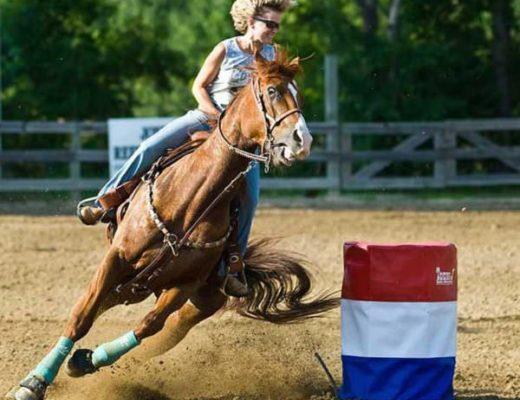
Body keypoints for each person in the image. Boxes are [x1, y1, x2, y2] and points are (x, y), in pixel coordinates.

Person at [78, 0, 295, 297]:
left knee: (250, 198)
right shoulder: (226, 49)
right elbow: (199, 86)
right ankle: (107, 200)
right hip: (205, 118)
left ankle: (233, 266)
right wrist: (215, 116)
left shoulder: (271, 56)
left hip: (242, 141)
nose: (274, 30)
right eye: (270, 23)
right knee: (150, 146)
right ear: (251, 22)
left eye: (277, 25)